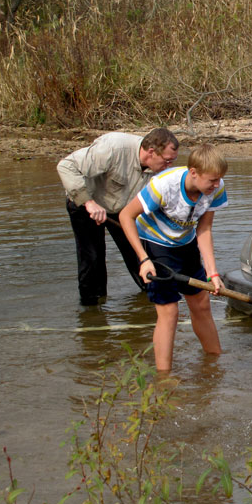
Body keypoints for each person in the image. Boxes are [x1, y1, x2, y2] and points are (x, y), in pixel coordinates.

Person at [118, 143, 228, 373]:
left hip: (185, 243)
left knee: (201, 303)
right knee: (169, 312)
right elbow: (125, 215)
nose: (216, 185)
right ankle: (163, 376)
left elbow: (204, 229)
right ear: (193, 172)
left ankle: (215, 364)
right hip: (155, 245)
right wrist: (143, 259)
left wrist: (213, 273)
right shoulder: (162, 185)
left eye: (219, 179)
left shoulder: (216, 188)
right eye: (212, 180)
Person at [58, 128, 179, 305]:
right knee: (92, 258)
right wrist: (88, 203)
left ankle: (156, 298)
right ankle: (92, 309)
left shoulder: (158, 169)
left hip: (122, 209)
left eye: (172, 161)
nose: (169, 166)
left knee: (140, 253)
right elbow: (66, 166)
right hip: (86, 202)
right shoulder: (114, 148)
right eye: (167, 161)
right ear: (151, 152)